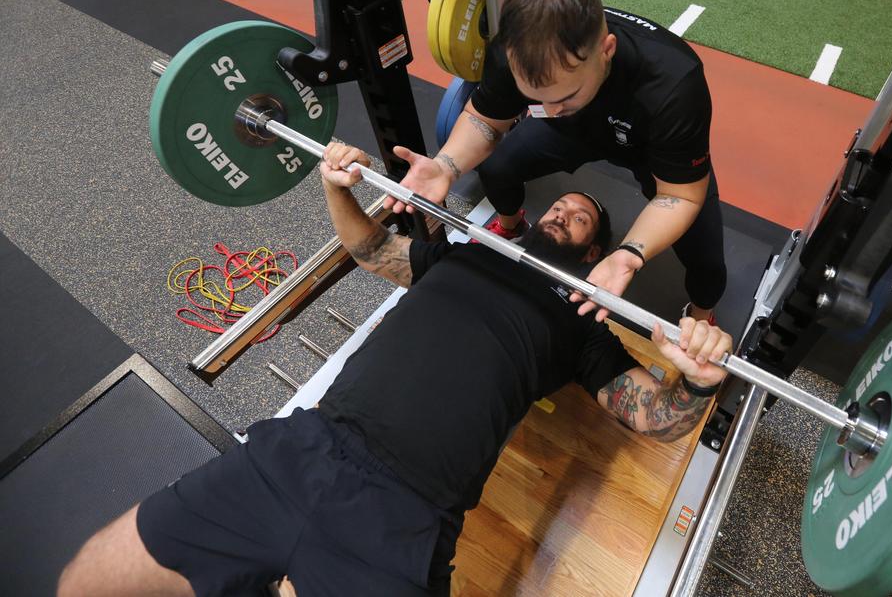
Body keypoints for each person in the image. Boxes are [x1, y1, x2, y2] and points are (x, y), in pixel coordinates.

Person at [57, 143, 734, 597]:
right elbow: (372, 249)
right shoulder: (468, 252)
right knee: (86, 577)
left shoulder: (584, 320)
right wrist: (335, 186)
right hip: (301, 449)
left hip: (404, 518)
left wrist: (699, 377)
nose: (565, 210)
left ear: (594, 250)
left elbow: (655, 415)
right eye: (560, 204)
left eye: (581, 217)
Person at [384, 0, 726, 324]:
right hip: (571, 130)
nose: (547, 110)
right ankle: (512, 226)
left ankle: (701, 317)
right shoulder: (514, 48)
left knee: (705, 256)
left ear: (606, 51)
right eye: (535, 98)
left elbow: (680, 196)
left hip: (648, 147)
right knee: (498, 167)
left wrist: (628, 254)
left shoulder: (673, 85)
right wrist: (446, 166)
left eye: (563, 96)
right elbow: (486, 120)